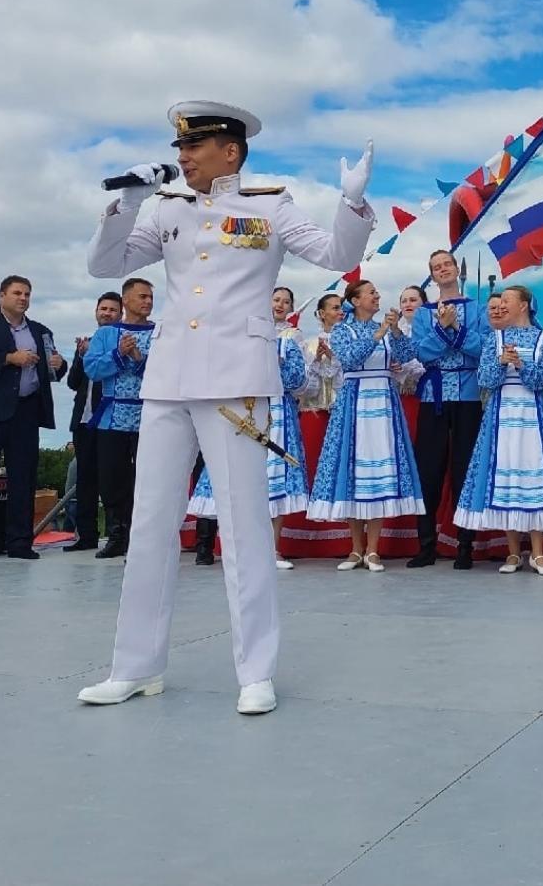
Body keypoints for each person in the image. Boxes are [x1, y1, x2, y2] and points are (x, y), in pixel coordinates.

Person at [78, 100, 376, 715]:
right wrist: (127, 202)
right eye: (179, 148)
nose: (181, 158)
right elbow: (105, 264)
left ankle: (256, 671)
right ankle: (134, 666)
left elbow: (335, 257)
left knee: (243, 526)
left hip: (238, 378)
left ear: (230, 151)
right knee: (151, 524)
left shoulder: (269, 205)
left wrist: (350, 206)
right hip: (168, 379)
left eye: (193, 147)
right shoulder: (166, 208)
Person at [454, 285, 543, 574]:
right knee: (506, 475)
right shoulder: (493, 339)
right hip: (501, 415)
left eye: (507, 301)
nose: (501, 305)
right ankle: (512, 552)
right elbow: (484, 378)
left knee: (534, 475)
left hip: (533, 414)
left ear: (524, 305)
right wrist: (500, 363)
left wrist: (520, 365)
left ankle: (538, 552)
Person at [307, 280, 425, 571]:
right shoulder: (342, 330)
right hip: (354, 402)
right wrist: (379, 333)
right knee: (352, 468)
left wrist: (394, 331)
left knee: (379, 469)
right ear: (356, 300)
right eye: (371, 293)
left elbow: (407, 354)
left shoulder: (386, 330)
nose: (377, 297)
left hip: (384, 403)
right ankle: (355, 548)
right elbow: (349, 358)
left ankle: (373, 549)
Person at [190, 286, 309, 568]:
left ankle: (273, 548)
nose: (280, 305)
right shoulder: (241, 335)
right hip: (245, 409)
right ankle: (237, 548)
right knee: (239, 473)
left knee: (275, 476)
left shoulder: (289, 340)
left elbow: (298, 381)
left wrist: (277, 364)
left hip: (279, 412)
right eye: (276, 299)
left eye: (285, 302)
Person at [0, 275, 66, 562]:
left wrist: (60, 364)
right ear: (2, 295)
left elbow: (53, 371)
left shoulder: (41, 331)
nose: (23, 298)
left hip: (26, 412)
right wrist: (9, 358)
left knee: (24, 480)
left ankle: (19, 542)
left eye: (27, 294)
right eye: (17, 293)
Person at [405, 250, 487, 569]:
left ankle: (465, 545)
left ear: (455, 269)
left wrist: (453, 331)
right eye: (436, 267)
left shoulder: (476, 308)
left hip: (467, 395)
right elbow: (423, 353)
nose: (443, 270)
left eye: (447, 264)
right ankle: (426, 544)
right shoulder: (424, 313)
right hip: (434, 396)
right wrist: (446, 331)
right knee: (429, 469)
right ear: (432, 275)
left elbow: (481, 349)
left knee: (465, 468)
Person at [82, 277, 156, 560]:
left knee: (147, 478)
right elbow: (92, 369)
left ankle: (144, 535)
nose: (147, 302)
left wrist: (138, 358)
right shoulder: (105, 334)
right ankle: (117, 533)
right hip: (112, 416)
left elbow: (165, 370)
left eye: (150, 297)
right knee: (112, 478)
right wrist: (119, 354)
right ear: (125, 300)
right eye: (142, 297)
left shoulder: (159, 332)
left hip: (149, 415)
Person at [65, 291, 123, 550]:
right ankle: (86, 535)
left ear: (120, 314)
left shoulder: (122, 340)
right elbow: (73, 383)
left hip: (109, 420)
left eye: (112, 309)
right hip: (84, 421)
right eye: (103, 309)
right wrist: (81, 356)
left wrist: (97, 355)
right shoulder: (88, 343)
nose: (106, 313)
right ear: (96, 311)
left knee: (112, 479)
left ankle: (116, 535)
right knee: (84, 479)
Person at [393, 286, 428, 439]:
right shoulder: (394, 331)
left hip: (426, 394)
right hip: (400, 397)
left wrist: (404, 367)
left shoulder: (431, 329)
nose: (408, 304)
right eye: (404, 301)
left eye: (413, 300)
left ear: (424, 304)